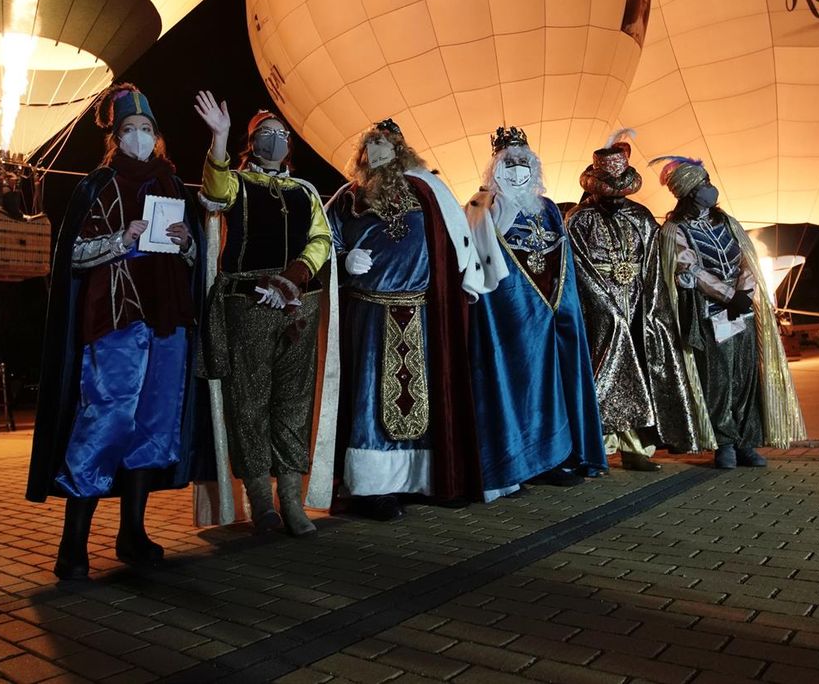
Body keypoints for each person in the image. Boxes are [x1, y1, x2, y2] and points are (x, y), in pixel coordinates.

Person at [25, 84, 202, 579]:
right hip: (118, 320)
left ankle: (133, 533)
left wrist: (188, 244)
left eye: (147, 130)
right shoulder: (98, 184)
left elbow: (195, 257)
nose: (140, 137)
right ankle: (73, 543)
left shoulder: (172, 185)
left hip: (169, 321)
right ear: (115, 137)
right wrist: (118, 241)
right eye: (130, 130)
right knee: (105, 422)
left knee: (154, 426)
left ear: (158, 137)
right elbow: (73, 257)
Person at [324, 120, 488, 520]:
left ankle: (422, 479)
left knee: (427, 396)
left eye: (385, 143)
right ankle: (372, 486)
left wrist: (466, 276)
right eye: (369, 146)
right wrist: (344, 262)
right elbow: (325, 240)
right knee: (370, 399)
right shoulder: (348, 198)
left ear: (402, 150)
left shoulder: (428, 191)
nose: (377, 151)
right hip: (368, 313)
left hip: (423, 311)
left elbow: (455, 237)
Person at [192, 91, 335, 536]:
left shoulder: (305, 191)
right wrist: (218, 137)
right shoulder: (237, 181)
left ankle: (291, 501)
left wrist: (291, 279)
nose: (276, 139)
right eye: (266, 134)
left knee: (292, 404)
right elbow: (214, 192)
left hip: (297, 305)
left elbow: (321, 240)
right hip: (247, 304)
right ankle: (261, 504)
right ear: (251, 142)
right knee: (249, 403)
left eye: (282, 134)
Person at [465, 126, 606, 499]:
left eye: (524, 162)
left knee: (555, 384)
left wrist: (565, 309)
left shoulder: (546, 208)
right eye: (510, 163)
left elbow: (563, 262)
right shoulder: (482, 207)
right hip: (509, 318)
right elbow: (478, 262)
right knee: (518, 388)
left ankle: (556, 457)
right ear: (495, 168)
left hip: (551, 316)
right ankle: (519, 462)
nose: (517, 170)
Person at [652, 155, 806, 468]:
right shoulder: (674, 230)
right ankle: (724, 444)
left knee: (746, 377)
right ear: (689, 191)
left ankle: (747, 442)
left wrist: (745, 293)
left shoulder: (728, 223)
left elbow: (746, 260)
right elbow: (688, 269)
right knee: (719, 381)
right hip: (711, 316)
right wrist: (727, 294)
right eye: (702, 184)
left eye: (708, 181)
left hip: (742, 313)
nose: (709, 188)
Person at [565, 132, 706, 470]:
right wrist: (607, 310)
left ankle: (636, 448)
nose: (616, 199)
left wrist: (653, 308)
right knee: (604, 373)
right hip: (598, 314)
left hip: (639, 308)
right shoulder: (579, 220)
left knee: (641, 373)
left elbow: (654, 266)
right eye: (608, 192)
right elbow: (578, 269)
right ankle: (594, 447)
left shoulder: (642, 217)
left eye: (621, 192)